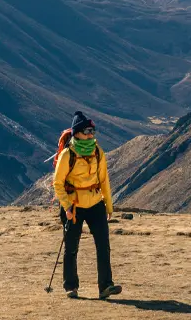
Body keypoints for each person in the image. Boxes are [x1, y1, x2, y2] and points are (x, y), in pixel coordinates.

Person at [53, 111, 122, 300]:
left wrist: (108, 205)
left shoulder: (98, 152)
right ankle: (71, 286)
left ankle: (105, 287)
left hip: (95, 203)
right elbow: (58, 183)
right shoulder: (68, 154)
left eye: (92, 130)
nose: (90, 134)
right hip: (73, 206)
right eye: (86, 131)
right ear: (76, 133)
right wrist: (66, 207)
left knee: (103, 245)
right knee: (71, 247)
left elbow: (104, 180)